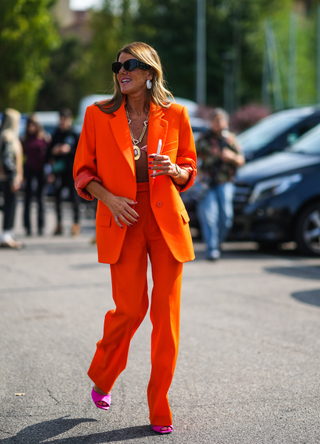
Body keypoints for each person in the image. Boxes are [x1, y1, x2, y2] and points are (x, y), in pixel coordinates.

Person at [73, 42, 197, 434]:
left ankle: (159, 405)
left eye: (130, 65)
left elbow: (190, 168)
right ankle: (103, 375)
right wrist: (108, 199)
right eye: (118, 66)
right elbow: (81, 172)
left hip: (166, 223)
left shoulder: (176, 114)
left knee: (166, 318)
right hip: (122, 219)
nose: (121, 71)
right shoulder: (97, 115)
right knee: (129, 309)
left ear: (149, 73)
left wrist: (176, 170)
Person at [196, 108, 245, 260]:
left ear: (226, 122)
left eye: (220, 120)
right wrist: (198, 173)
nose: (218, 123)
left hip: (225, 182)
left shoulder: (230, 139)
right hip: (207, 183)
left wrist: (231, 157)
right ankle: (212, 248)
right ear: (210, 122)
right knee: (209, 216)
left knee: (226, 217)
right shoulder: (203, 139)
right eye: (215, 120)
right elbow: (190, 158)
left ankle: (218, 242)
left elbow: (241, 160)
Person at [47, 109, 80, 236]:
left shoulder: (74, 133)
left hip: (71, 170)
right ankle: (59, 224)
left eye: (64, 120)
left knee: (74, 197)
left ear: (69, 119)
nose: (62, 122)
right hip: (58, 171)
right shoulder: (56, 133)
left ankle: (75, 224)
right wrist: (54, 151)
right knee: (57, 197)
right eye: (60, 120)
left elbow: (80, 151)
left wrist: (69, 150)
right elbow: (49, 152)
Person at [21, 115, 50, 236]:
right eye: (29, 125)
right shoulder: (24, 139)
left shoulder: (44, 137)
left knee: (41, 199)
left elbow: (49, 157)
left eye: (33, 125)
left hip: (41, 169)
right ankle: (27, 226)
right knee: (27, 199)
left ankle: (41, 226)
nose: (31, 127)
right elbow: (21, 157)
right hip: (28, 168)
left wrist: (50, 172)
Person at [0, 109, 24, 249]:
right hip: (7, 178)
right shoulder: (9, 136)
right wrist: (14, 177)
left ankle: (6, 235)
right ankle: (6, 235)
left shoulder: (2, 134)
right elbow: (7, 159)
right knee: (10, 207)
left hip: (2, 177)